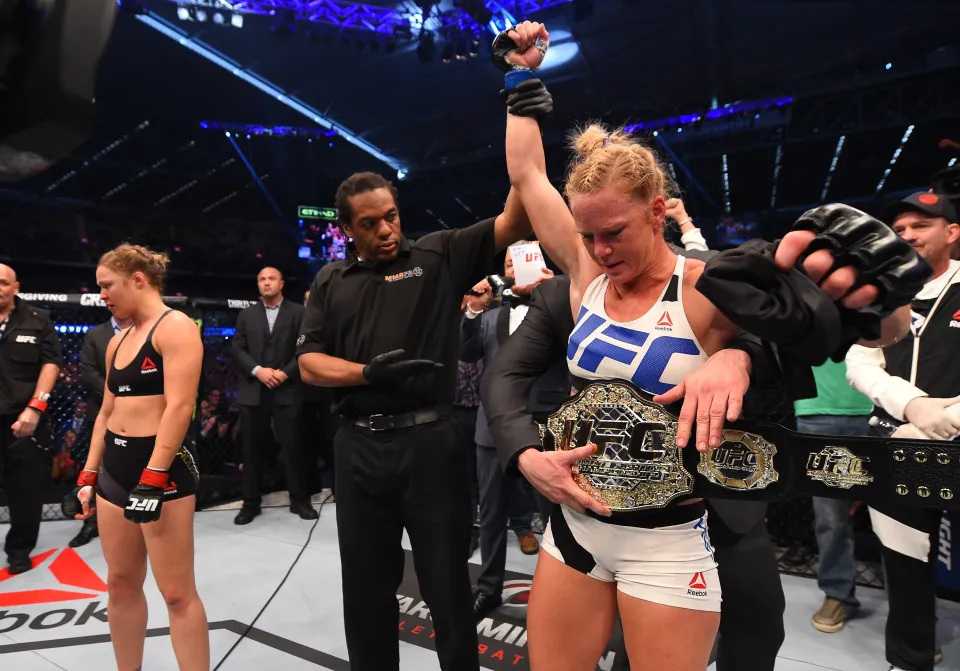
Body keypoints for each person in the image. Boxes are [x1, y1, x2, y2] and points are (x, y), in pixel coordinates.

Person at [493, 21, 919, 670]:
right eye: (588, 236)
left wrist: (880, 304)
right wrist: (520, 78)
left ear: (657, 212)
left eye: (614, 232)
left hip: (675, 532)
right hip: (578, 522)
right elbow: (527, 173)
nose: (601, 251)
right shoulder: (584, 274)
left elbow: (837, 331)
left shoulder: (708, 286)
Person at [296, 170, 532, 671]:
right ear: (346, 230)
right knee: (365, 590)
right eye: (370, 223)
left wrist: (521, 128)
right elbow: (309, 364)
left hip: (429, 443)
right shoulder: (331, 281)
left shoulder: (437, 255)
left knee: (447, 586)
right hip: (357, 448)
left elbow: (516, 217)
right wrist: (365, 373)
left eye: (391, 216)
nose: (386, 230)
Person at [62, 244, 209, 671]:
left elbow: (181, 407)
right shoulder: (117, 341)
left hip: (160, 469)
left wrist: (154, 476)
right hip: (115, 472)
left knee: (177, 593)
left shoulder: (175, 326)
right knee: (121, 584)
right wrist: (88, 475)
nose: (102, 295)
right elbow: (107, 412)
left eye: (107, 286)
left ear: (138, 278)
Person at [845, 191, 960, 671]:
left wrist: (950, 418)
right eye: (901, 227)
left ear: (951, 233)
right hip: (896, 446)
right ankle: (910, 660)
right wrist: (912, 405)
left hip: (955, 441)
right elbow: (858, 359)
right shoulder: (883, 294)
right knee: (904, 561)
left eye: (920, 225)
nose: (907, 235)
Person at [460, 247, 557, 620]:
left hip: (547, 424)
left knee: (554, 518)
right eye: (508, 264)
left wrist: (558, 289)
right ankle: (488, 587)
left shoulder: (559, 305)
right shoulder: (490, 316)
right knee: (492, 513)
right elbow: (467, 355)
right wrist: (472, 308)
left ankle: (558, 594)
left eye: (522, 261)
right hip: (493, 426)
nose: (515, 268)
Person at [793, 360, 873, 633]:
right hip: (820, 408)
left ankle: (913, 614)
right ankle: (838, 593)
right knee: (830, 518)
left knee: (902, 521)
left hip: (891, 408)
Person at [232, 267, 316, 524]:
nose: (266, 283)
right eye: (261, 279)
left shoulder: (298, 313)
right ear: (258, 285)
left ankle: (300, 500)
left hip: (287, 388)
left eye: (271, 279)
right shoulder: (247, 315)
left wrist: (284, 373)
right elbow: (238, 348)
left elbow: (305, 347)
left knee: (294, 447)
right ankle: (250, 503)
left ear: (281, 283)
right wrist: (259, 371)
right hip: (254, 389)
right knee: (251, 450)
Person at [0, 264, 62, 575]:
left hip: (22, 420)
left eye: (3, 282)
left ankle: (20, 551)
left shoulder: (38, 319)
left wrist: (35, 408)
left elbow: (51, 364)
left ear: (15, 287)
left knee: (25, 489)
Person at [73, 311, 133, 548]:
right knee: (96, 465)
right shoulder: (96, 335)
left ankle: (132, 519)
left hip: (140, 413)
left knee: (134, 465)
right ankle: (91, 521)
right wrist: (117, 393)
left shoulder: (146, 332)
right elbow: (87, 371)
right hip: (102, 409)